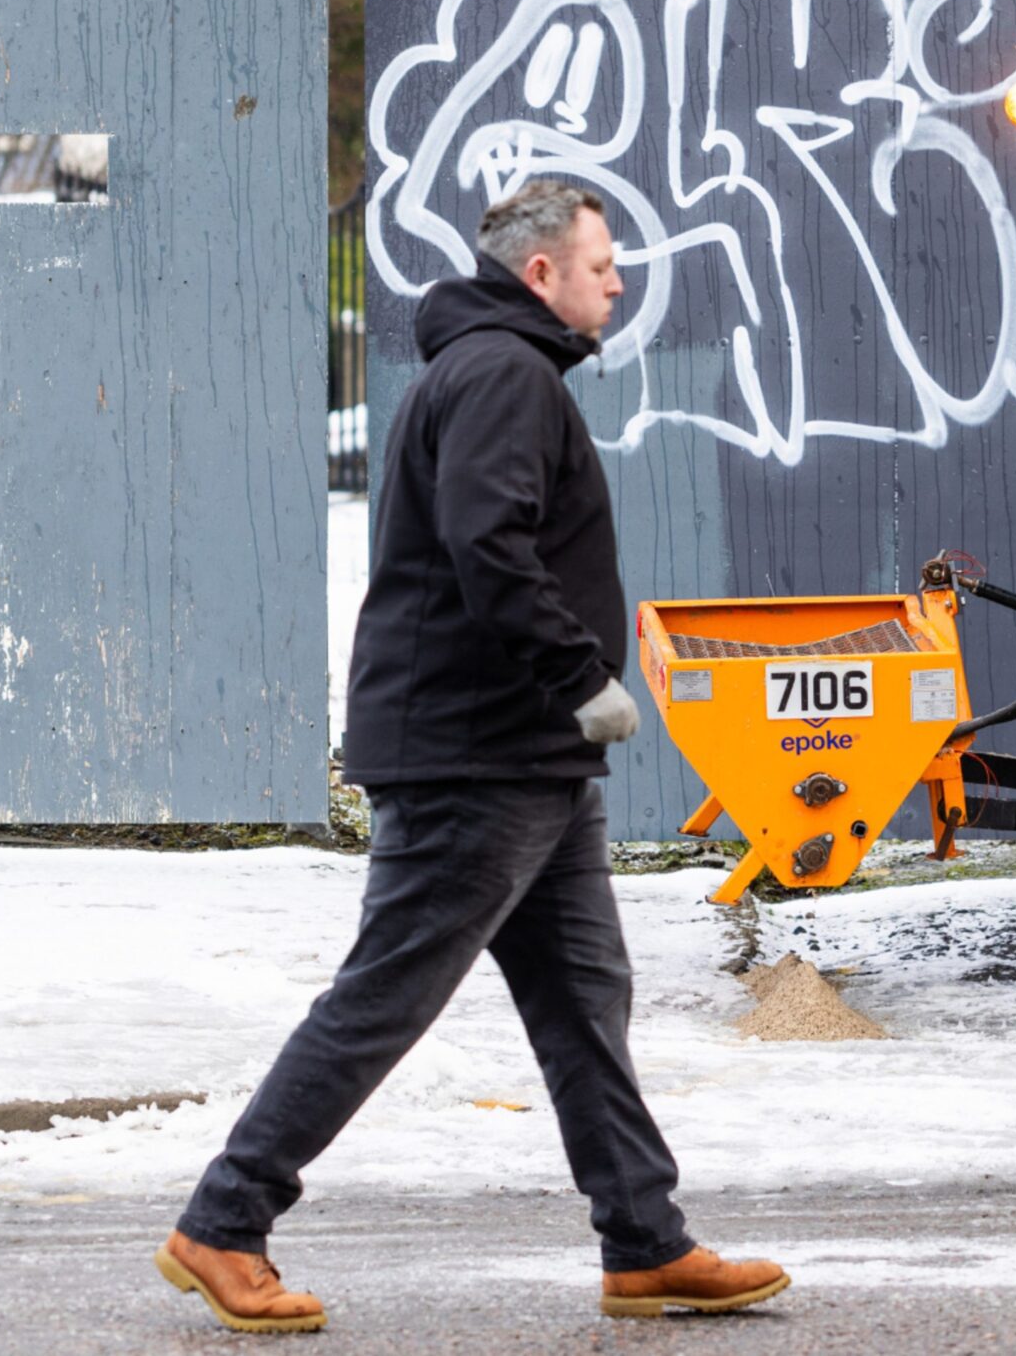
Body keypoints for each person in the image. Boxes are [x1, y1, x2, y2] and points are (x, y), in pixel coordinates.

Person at [155, 180, 787, 1334]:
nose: (619, 280)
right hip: (475, 754)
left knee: (586, 1000)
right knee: (386, 995)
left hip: (522, 759)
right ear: (539, 273)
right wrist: (579, 680)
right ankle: (224, 1223)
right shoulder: (502, 373)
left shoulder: (500, 368)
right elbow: (486, 543)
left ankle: (644, 1245)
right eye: (602, 263)